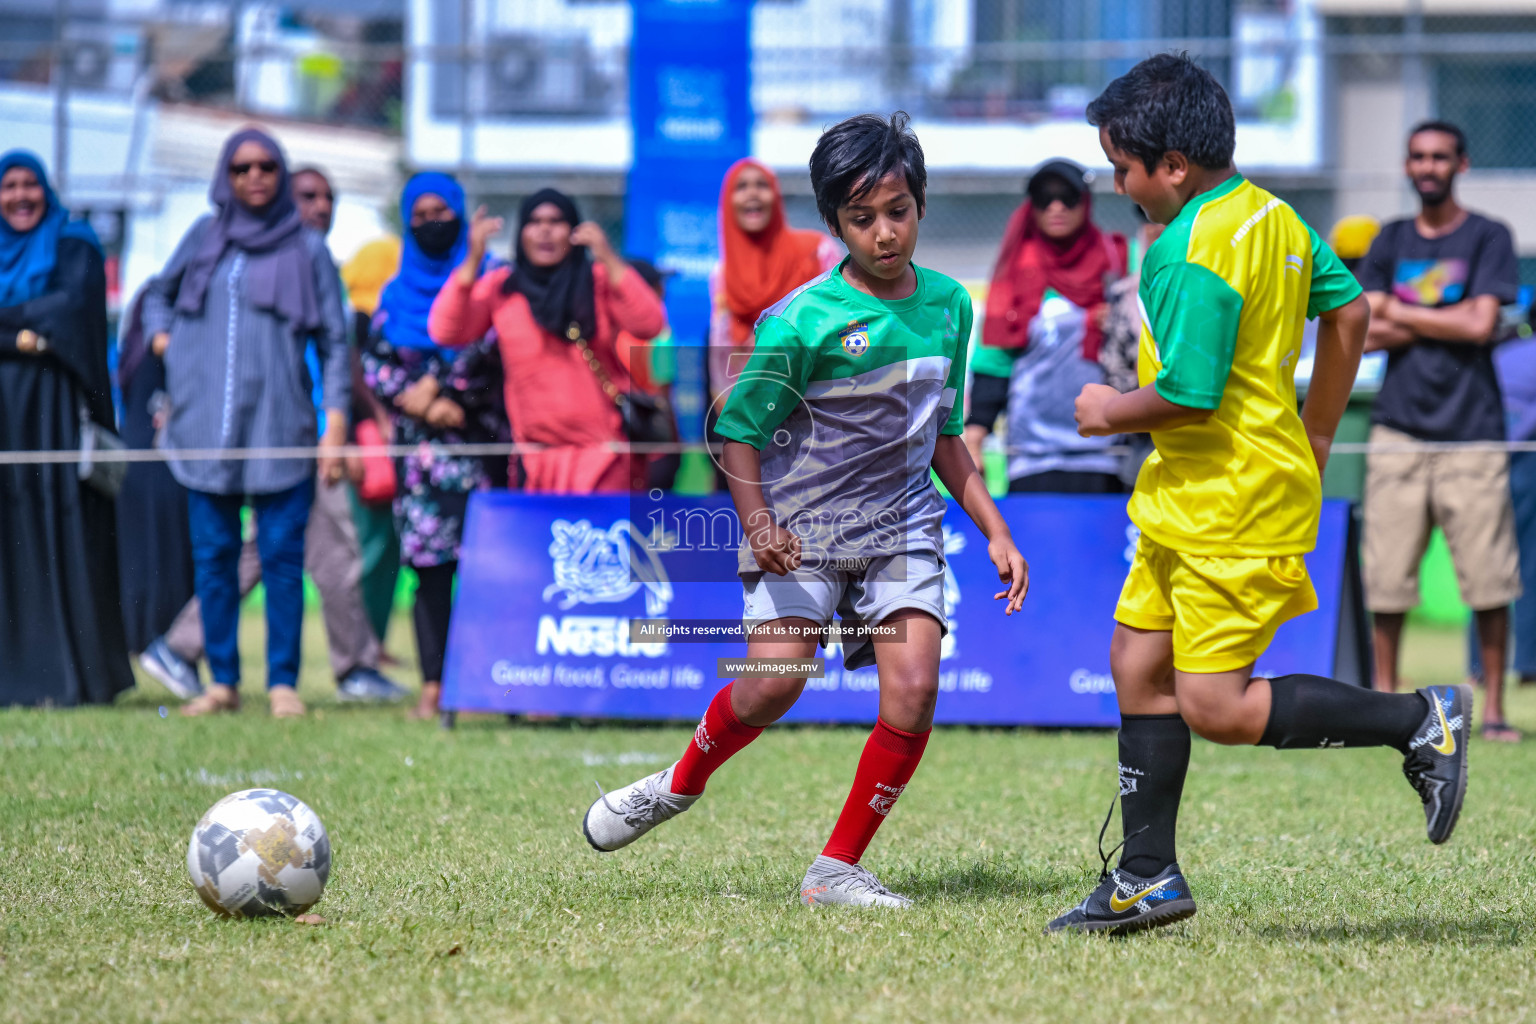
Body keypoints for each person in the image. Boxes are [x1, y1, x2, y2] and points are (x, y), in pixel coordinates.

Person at [1054, 54, 1469, 936]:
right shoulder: (1275, 217)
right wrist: (1316, 431)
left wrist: (1105, 411)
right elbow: (1350, 315)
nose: (1117, 185)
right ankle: (1147, 876)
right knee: (1137, 662)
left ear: (1173, 165)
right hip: (1193, 496)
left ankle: (1419, 719)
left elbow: (1190, 396)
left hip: (1230, 504)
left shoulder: (1184, 252)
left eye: (1121, 167)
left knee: (1217, 706)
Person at [581, 112, 1030, 908]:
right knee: (775, 683)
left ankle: (835, 871)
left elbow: (947, 434)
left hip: (901, 528)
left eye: (898, 211)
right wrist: (758, 525)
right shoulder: (801, 320)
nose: (885, 233)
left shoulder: (951, 307)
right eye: (863, 219)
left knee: (917, 686)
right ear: (834, 224)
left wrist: (993, 528)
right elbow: (737, 429)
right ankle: (679, 783)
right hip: (801, 528)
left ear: (921, 205)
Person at [140, 163, 406, 706]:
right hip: (283, 437)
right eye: (308, 194)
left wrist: (337, 428)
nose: (321, 207)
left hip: (310, 435)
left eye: (329, 197)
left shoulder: (312, 265)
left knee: (269, 551)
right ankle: (350, 667)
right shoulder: (241, 259)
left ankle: (184, 648)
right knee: (326, 551)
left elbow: (336, 353)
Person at [1356, 121, 1523, 742]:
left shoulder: (1488, 236)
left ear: (1462, 164)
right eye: (1419, 157)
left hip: (1472, 432)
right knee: (1388, 580)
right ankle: (1382, 707)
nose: (1429, 167)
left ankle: (1496, 709)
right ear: (1407, 166)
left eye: (1441, 157)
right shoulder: (1389, 238)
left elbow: (1482, 323)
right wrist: (1442, 318)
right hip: (1397, 430)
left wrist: (1398, 310)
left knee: (1488, 580)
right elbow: (1363, 330)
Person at [365, 172, 508, 721]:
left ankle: (490, 687)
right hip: (421, 460)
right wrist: (419, 402)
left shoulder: (489, 277)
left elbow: (492, 343)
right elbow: (374, 362)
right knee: (429, 572)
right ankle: (433, 686)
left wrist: (449, 391)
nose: (431, 225)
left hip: (482, 450)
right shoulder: (395, 292)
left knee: (488, 571)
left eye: (440, 213)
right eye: (419, 216)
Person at [0, 150, 134, 707]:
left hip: (55, 412)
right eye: (9, 186)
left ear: (47, 190)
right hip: (5, 418)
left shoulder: (75, 242)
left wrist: (10, 333)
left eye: (31, 184)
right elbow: (45, 316)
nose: (21, 195)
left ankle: (72, 677)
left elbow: (70, 310)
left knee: (59, 528)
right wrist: (28, 338)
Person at [429, 188, 666, 493]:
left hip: (605, 457)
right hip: (536, 462)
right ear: (521, 233)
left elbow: (650, 323)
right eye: (535, 221)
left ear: (574, 230)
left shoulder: (597, 281)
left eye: (556, 221)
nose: (545, 230)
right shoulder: (502, 288)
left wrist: (609, 257)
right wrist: (472, 261)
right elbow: (446, 330)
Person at [970, 161, 1127, 493]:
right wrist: (975, 434)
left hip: (1108, 453)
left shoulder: (1118, 261)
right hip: (1033, 457)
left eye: (1068, 196)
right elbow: (994, 360)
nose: (1056, 206)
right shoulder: (1014, 272)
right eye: (1044, 197)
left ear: (1085, 201)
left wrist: (1120, 319)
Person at [707, 158, 841, 422]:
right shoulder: (722, 275)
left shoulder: (816, 252)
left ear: (776, 196)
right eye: (741, 186)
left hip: (817, 402)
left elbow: (841, 322)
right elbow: (721, 350)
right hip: (754, 407)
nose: (752, 193)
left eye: (761, 185)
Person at [114, 280, 196, 662]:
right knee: (168, 550)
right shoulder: (162, 350)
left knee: (143, 553)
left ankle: (141, 637)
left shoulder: (131, 350)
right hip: (161, 462)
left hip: (139, 460)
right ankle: (163, 639)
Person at [340, 236, 405, 645]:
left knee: (384, 551)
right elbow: (349, 378)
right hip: (365, 448)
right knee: (370, 548)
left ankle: (373, 645)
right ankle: (361, 647)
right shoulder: (358, 322)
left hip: (383, 448)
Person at [1098, 207, 1163, 486]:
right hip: (1144, 443)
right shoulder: (1124, 296)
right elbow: (1116, 370)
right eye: (1148, 222)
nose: (1155, 230)